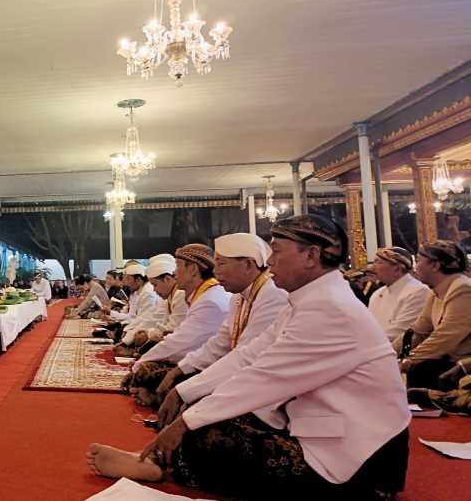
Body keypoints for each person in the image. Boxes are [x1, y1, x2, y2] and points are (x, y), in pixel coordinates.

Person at [87, 214, 411, 501]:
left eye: (277, 251)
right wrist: (184, 392)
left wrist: (188, 419)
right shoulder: (309, 300)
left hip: (361, 457)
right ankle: (162, 460)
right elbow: (248, 355)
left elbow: (266, 376)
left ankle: (162, 466)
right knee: (207, 418)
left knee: (207, 435)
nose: (269, 261)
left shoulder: (330, 308)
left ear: (311, 256)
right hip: (322, 425)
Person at [155, 233, 288, 404]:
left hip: (265, 389)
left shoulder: (272, 294)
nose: (215, 271)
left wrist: (185, 390)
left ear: (248, 264)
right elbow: (218, 344)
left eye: (221, 263)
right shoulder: (238, 297)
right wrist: (181, 369)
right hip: (238, 374)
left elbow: (247, 356)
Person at [123, 244, 230, 406]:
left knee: (148, 371)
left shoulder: (210, 300)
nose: (174, 272)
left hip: (217, 368)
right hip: (201, 358)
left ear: (193, 269)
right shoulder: (204, 295)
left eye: (178, 267)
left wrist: (140, 364)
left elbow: (180, 341)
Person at [395, 240, 471, 388]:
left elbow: (445, 337)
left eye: (418, 260)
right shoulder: (436, 291)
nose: (415, 267)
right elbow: (418, 331)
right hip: (447, 360)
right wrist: (388, 354)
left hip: (463, 366)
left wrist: (407, 361)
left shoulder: (463, 289)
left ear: (435, 265)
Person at [368, 247, 430, 341]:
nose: (372, 268)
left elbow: (401, 332)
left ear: (397, 269)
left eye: (379, 262)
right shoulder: (377, 294)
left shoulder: (418, 291)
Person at [106, 264, 163, 351]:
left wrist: (125, 339)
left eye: (128, 279)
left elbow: (145, 320)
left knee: (140, 335)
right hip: (144, 325)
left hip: (152, 329)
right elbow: (134, 317)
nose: (125, 283)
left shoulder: (148, 293)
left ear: (138, 280)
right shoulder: (137, 292)